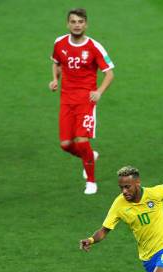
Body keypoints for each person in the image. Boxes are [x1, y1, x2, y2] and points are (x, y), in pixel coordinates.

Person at [49, 8, 114, 195]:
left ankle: (91, 181)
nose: (77, 25)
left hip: (86, 100)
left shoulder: (94, 47)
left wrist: (99, 91)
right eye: (73, 22)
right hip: (66, 100)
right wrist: (55, 79)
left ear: (86, 24)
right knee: (66, 144)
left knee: (82, 141)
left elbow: (109, 73)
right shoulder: (59, 43)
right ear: (67, 24)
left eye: (80, 22)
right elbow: (56, 62)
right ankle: (89, 156)